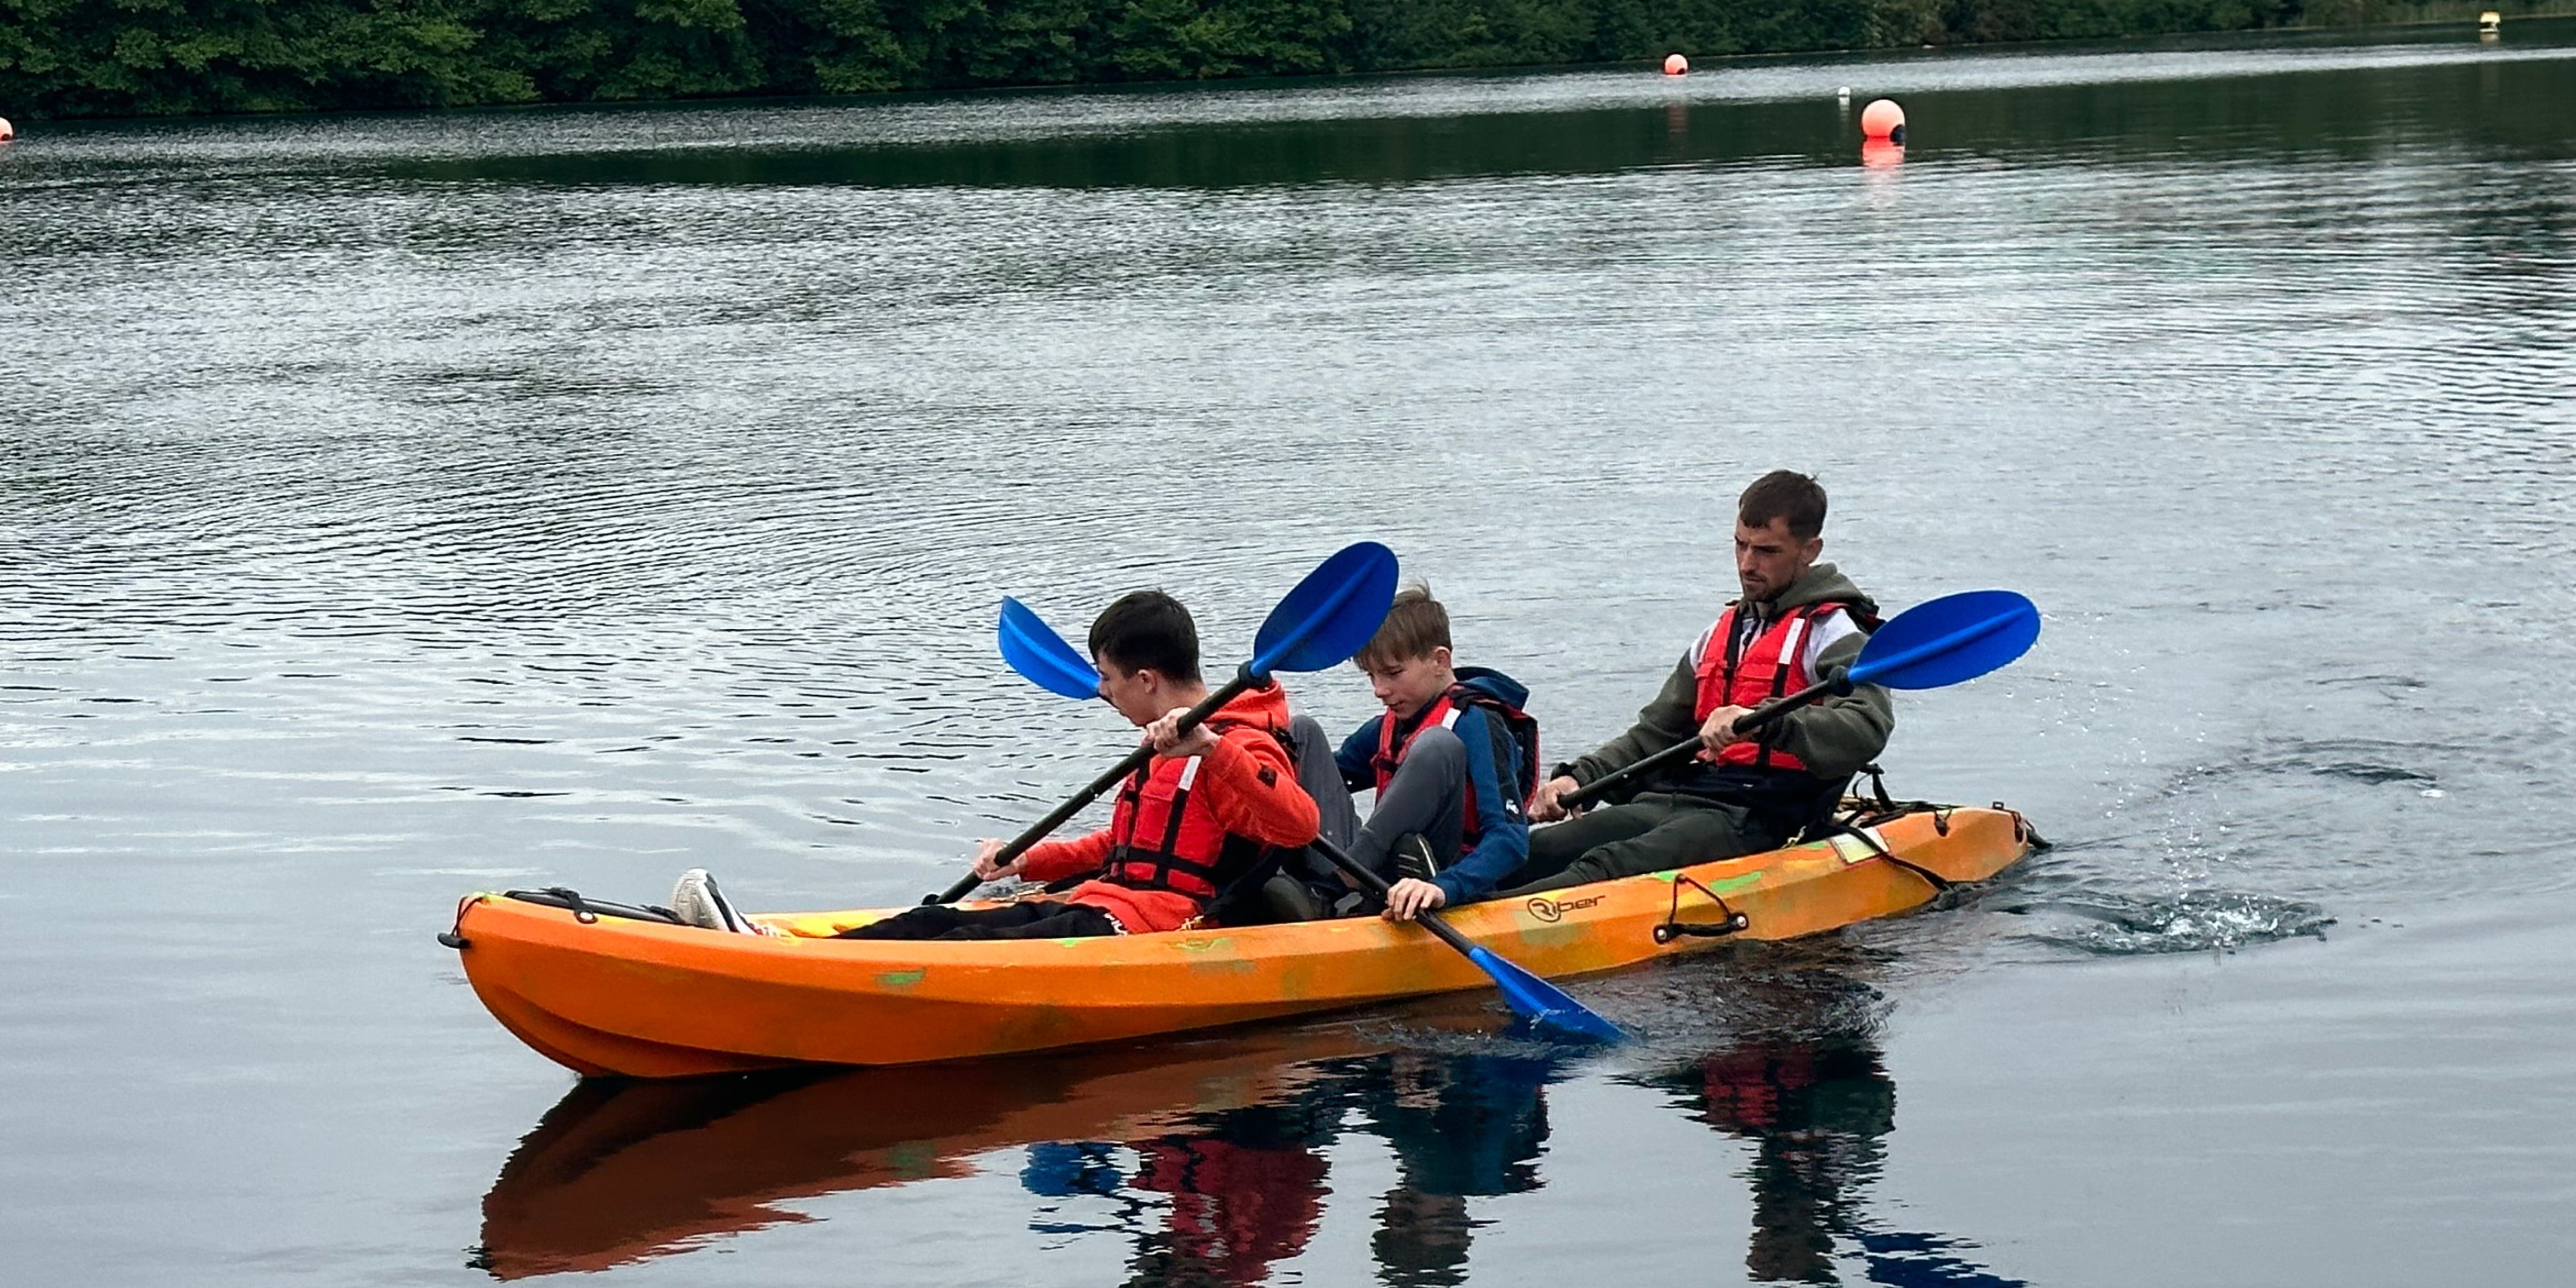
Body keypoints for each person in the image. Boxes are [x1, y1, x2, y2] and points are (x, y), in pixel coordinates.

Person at [668, 590, 1320, 941]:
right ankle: (789, 948)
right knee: (939, 919)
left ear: (1147, 680)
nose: (1102, 692)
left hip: (1155, 928)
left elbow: (1297, 825)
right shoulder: (1160, 740)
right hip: (1103, 902)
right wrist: (1026, 861)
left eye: (1108, 680)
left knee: (970, 943)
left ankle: (793, 965)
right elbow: (1124, 845)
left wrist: (1212, 748)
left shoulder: (1236, 743)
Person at [1513, 469, 1891, 890]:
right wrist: (1579, 778)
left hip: (1764, 814)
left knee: (1609, 865)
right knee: (1536, 850)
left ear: (1809, 550)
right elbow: (1654, 734)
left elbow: (1866, 727)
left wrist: (1769, 722)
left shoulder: (1834, 632)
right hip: (1685, 797)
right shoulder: (1724, 631)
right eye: (1740, 545)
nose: (1748, 564)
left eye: (1766, 551)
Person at [1330, 586, 1533, 921]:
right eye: (1372, 676)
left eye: (1393, 673)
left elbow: (1511, 840)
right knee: (1301, 735)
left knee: (1438, 745)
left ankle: (1340, 884)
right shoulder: (1390, 724)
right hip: (1380, 875)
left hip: (1439, 879)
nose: (1380, 690)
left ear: (1440, 660)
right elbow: (1328, 777)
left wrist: (1444, 887)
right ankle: (1309, 880)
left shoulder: (1478, 722)